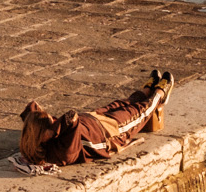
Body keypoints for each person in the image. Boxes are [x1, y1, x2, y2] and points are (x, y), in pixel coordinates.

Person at [19, 70, 174, 168]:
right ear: (45, 134)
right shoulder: (60, 154)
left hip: (92, 118)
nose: (54, 121)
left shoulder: (33, 138)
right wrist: (53, 130)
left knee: (123, 103)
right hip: (109, 133)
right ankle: (160, 93)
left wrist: (45, 122)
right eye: (51, 125)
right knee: (138, 112)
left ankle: (147, 88)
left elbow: (31, 108)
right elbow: (71, 117)